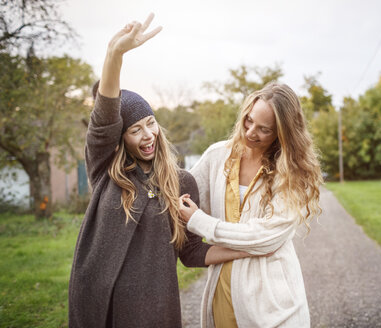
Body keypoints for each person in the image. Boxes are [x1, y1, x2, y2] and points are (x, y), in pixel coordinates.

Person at [69, 14, 255, 328]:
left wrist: (249, 249)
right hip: (102, 307)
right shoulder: (105, 174)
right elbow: (104, 117)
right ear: (119, 137)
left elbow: (192, 252)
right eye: (135, 130)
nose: (147, 135)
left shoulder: (182, 182)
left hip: (155, 310)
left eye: (150, 124)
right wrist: (116, 54)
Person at [179, 82, 323, 328]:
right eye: (249, 120)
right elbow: (181, 195)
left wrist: (199, 221)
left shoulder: (291, 173)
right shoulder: (217, 156)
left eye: (264, 129)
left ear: (282, 133)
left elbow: (266, 237)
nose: (250, 132)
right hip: (223, 293)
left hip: (274, 303)